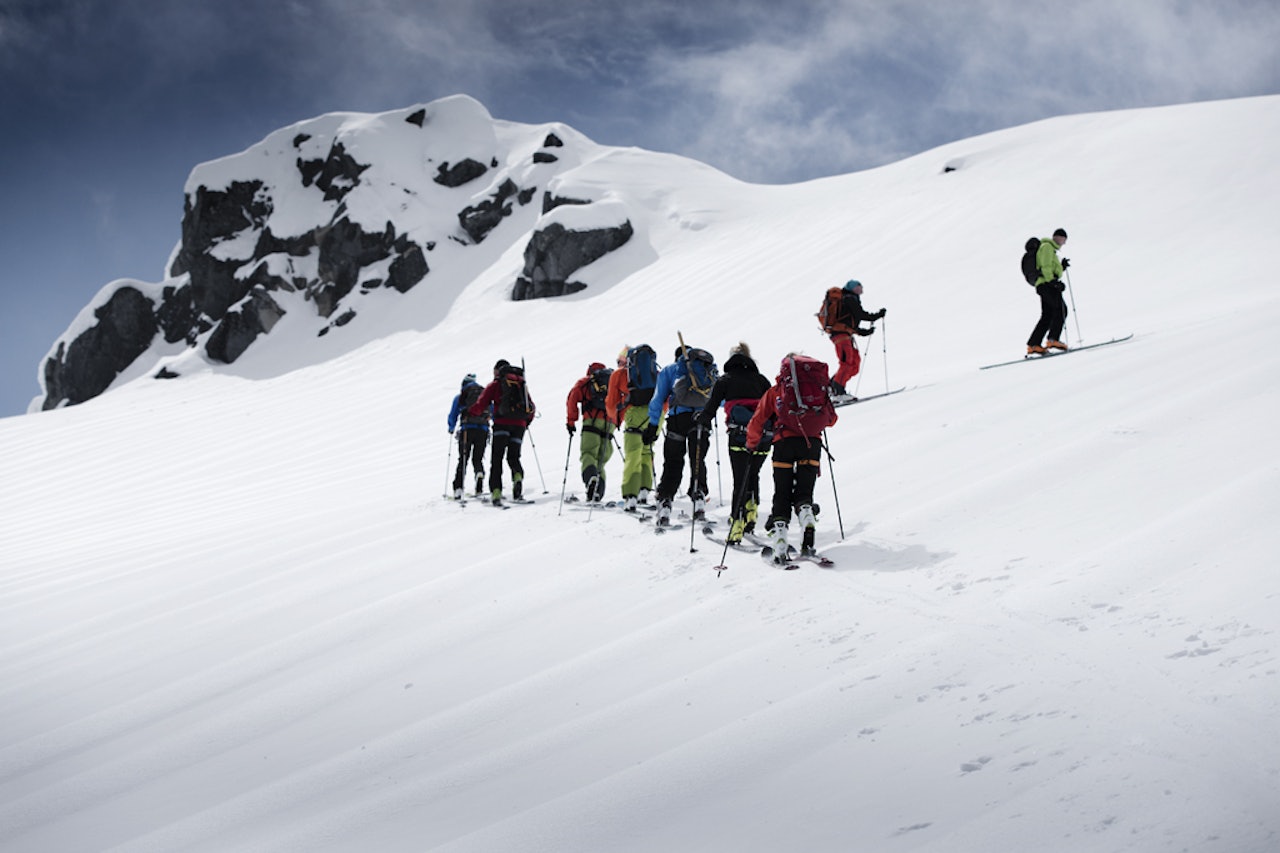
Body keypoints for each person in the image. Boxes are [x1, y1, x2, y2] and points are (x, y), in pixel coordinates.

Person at [746, 354, 839, 562]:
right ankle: (806, 515)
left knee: (782, 492)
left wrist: (752, 444)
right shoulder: (817, 388)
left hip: (783, 444)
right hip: (811, 444)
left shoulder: (777, 391)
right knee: (805, 492)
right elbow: (831, 419)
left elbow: (758, 419)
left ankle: (780, 537)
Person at [696, 342, 771, 544]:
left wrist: (701, 419)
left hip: (739, 437)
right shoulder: (761, 380)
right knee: (753, 473)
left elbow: (710, 408)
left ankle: (736, 523)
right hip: (763, 437)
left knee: (740, 478)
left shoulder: (725, 380)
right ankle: (751, 512)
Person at [641, 344, 717, 525]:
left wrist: (652, 425)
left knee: (673, 461)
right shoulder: (706, 370)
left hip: (677, 420)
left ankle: (666, 500)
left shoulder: (670, 370)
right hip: (701, 420)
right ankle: (698, 498)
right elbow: (718, 398)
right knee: (697, 460)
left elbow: (658, 398)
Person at [469, 359, 536, 506]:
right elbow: (531, 407)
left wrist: (471, 412)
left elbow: (482, 403)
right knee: (514, 457)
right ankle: (517, 479)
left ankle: (496, 492)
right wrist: (526, 423)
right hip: (519, 426)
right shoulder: (521, 384)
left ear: (498, 371)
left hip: (501, 425)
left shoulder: (496, 384)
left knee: (497, 459)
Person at [607, 345, 657, 512]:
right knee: (647, 451)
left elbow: (611, 403)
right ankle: (644, 490)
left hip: (633, 414)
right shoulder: (653, 372)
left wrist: (615, 419)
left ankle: (631, 497)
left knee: (633, 454)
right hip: (654, 414)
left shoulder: (619, 374)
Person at [820, 280, 885, 401]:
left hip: (844, 335)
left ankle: (833, 387)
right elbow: (860, 314)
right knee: (847, 363)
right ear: (852, 287)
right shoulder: (849, 298)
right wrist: (877, 315)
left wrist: (862, 332)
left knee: (854, 364)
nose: (861, 290)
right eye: (858, 287)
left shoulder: (847, 299)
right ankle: (838, 393)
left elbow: (849, 322)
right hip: (841, 336)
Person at [566, 362, 615, 502]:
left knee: (588, 454)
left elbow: (572, 397)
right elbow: (622, 401)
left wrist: (571, 421)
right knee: (600, 461)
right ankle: (597, 494)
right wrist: (617, 422)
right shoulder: (612, 382)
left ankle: (591, 481)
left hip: (591, 422)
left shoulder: (586, 382)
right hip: (609, 424)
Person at [1026, 228, 1071, 354]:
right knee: (1060, 309)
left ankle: (1034, 344)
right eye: (1063, 239)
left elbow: (1049, 267)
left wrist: (1061, 267)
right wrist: (1053, 282)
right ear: (1057, 237)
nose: (1063, 243)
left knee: (1048, 315)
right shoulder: (1047, 247)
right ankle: (1053, 339)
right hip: (1047, 285)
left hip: (1044, 284)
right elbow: (1045, 266)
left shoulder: (1049, 249)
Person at [447, 373, 489, 498]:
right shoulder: (483, 395)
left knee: (463, 459)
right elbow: (491, 409)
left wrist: (451, 427)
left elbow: (453, 414)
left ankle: (458, 489)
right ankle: (479, 476)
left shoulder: (460, 397)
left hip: (466, 429)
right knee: (478, 458)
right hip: (483, 430)